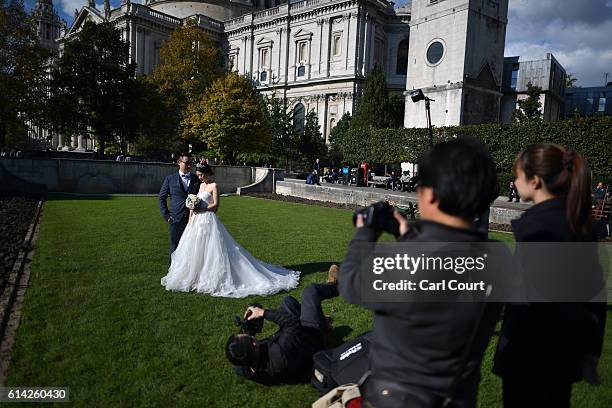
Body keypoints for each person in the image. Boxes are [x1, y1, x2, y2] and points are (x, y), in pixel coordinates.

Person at [339, 138, 503, 408]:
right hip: (458, 396)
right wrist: (408, 236)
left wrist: (365, 232)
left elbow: (350, 283)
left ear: (431, 194)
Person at [493, 144, 607, 408]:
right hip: (564, 351)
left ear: (534, 181)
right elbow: (594, 292)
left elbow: (534, 297)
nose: (513, 181)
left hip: (532, 352)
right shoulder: (577, 224)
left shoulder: (539, 226)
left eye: (517, 175)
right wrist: (590, 349)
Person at [161, 164, 299, 297]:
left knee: (212, 248)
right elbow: (194, 202)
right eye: (198, 175)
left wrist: (202, 209)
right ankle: (197, 275)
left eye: (201, 175)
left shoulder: (214, 186)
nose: (200, 178)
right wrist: (192, 215)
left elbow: (215, 205)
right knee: (196, 248)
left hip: (208, 219)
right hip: (196, 221)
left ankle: (213, 276)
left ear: (208, 174)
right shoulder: (200, 185)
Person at [225, 274, 338, 384]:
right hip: (311, 338)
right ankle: (340, 286)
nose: (250, 335)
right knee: (310, 291)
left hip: (296, 340)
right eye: (250, 338)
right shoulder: (279, 355)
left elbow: (243, 350)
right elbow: (292, 324)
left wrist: (248, 323)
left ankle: (321, 319)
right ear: (254, 345)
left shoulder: (245, 364)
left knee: (288, 302)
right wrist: (262, 313)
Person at [158, 153, 200, 266]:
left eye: (191, 163)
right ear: (179, 163)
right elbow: (161, 198)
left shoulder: (196, 178)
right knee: (175, 246)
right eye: (187, 163)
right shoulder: (170, 179)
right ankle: (171, 272)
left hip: (194, 219)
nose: (189, 166)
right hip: (176, 218)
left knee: (193, 247)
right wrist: (167, 216)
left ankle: (188, 272)